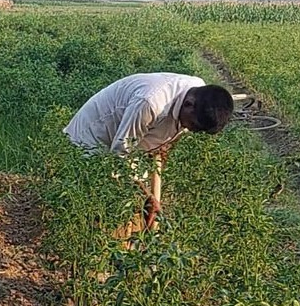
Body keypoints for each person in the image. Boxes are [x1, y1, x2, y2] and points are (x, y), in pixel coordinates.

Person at [63, 72, 234, 231]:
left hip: (128, 137)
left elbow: (166, 137)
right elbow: (120, 155)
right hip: (93, 137)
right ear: (188, 104)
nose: (191, 130)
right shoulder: (151, 103)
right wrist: (148, 196)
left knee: (136, 201)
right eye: (194, 126)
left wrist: (165, 146)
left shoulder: (198, 90)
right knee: (98, 201)